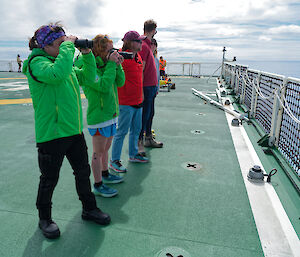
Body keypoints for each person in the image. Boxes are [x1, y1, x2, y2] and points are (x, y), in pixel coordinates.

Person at [22, 23, 110, 239]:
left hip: (73, 131)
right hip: (51, 134)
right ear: (46, 45)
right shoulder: (36, 63)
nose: (65, 46)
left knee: (82, 172)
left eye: (66, 43)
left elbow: (88, 77)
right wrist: (69, 47)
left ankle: (89, 208)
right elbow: (56, 75)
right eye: (60, 43)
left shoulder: (64, 63)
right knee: (49, 178)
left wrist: (87, 54)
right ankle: (45, 218)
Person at [75, 34, 125, 198]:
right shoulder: (89, 69)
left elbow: (120, 82)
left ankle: (105, 174)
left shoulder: (107, 64)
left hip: (111, 114)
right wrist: (111, 64)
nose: (113, 52)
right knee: (98, 153)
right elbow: (103, 86)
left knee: (105, 150)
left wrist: (118, 65)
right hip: (99, 117)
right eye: (110, 50)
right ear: (100, 51)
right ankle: (97, 184)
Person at [110, 31, 149, 173]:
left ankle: (133, 155)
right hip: (125, 102)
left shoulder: (137, 56)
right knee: (121, 132)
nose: (141, 43)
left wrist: (142, 95)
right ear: (131, 42)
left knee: (136, 130)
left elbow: (139, 78)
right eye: (138, 41)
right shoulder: (120, 56)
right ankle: (114, 161)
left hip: (138, 101)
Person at [138, 19, 163, 154]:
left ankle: (148, 138)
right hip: (146, 87)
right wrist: (140, 89)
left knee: (150, 114)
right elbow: (141, 68)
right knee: (144, 115)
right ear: (154, 30)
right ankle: (140, 144)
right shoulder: (143, 44)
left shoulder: (147, 44)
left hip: (151, 87)